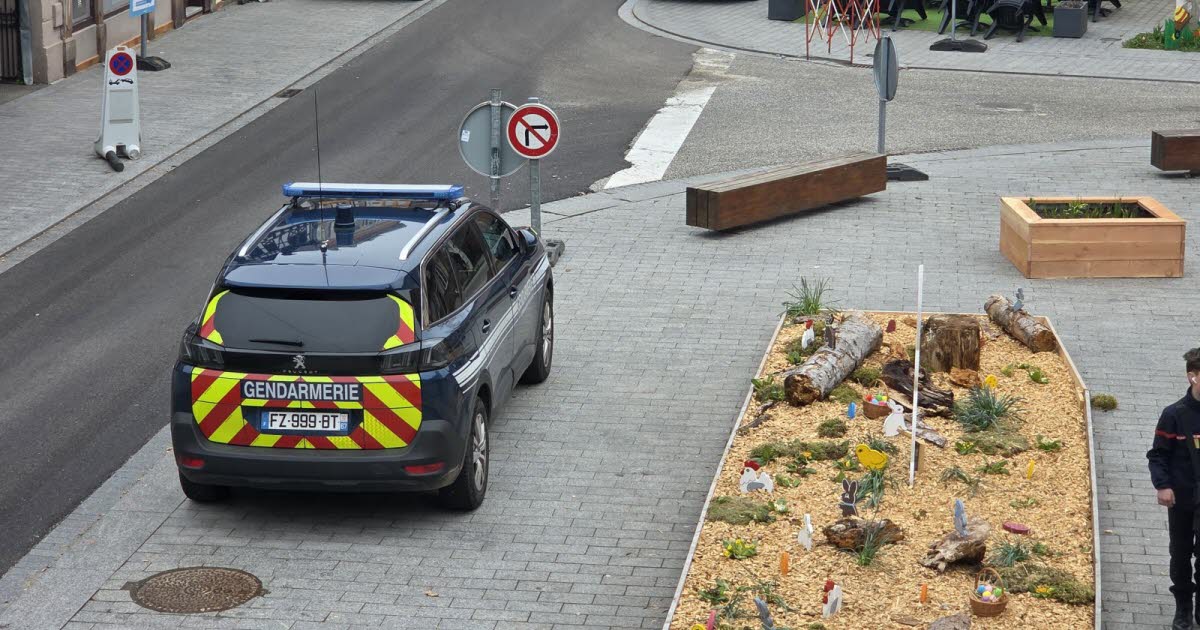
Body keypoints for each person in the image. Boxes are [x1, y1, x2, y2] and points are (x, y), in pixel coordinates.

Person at [1148, 347, 1200, 629]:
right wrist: (1163, 486)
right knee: (1180, 554)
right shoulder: (1174, 415)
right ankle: (1183, 609)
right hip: (1181, 497)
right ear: (1192, 377)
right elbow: (1158, 454)